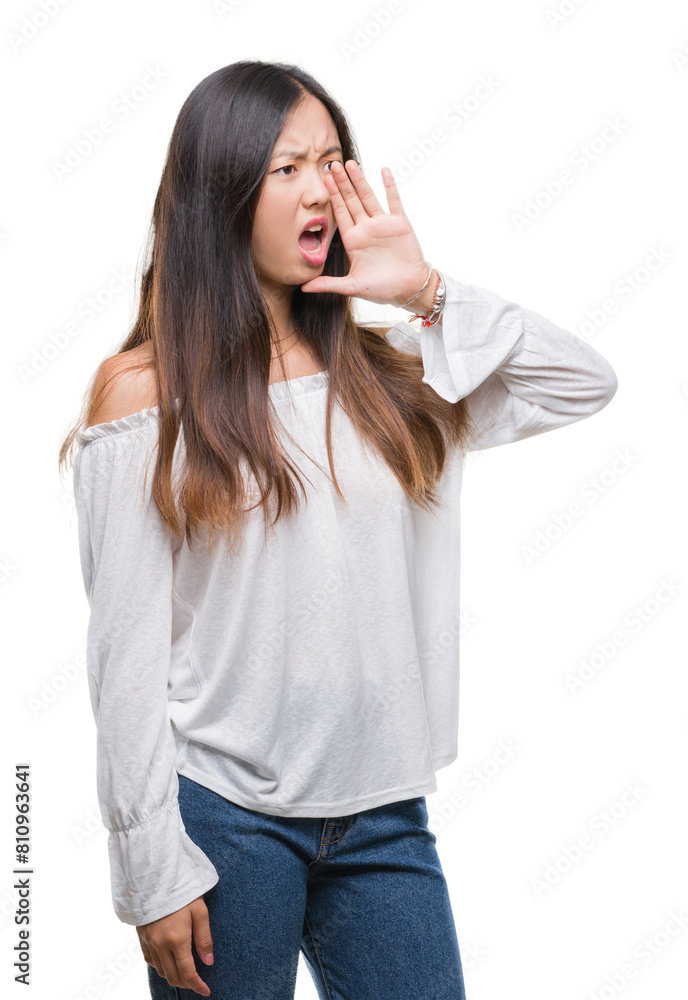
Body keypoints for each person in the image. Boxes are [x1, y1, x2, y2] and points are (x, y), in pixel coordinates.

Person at [59, 60, 618, 999]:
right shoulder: (149, 394)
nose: (322, 186)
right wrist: (148, 867)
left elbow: (583, 383)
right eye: (287, 168)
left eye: (333, 159)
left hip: (386, 818)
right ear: (221, 193)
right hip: (225, 821)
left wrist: (427, 292)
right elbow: (124, 652)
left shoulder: (395, 373)